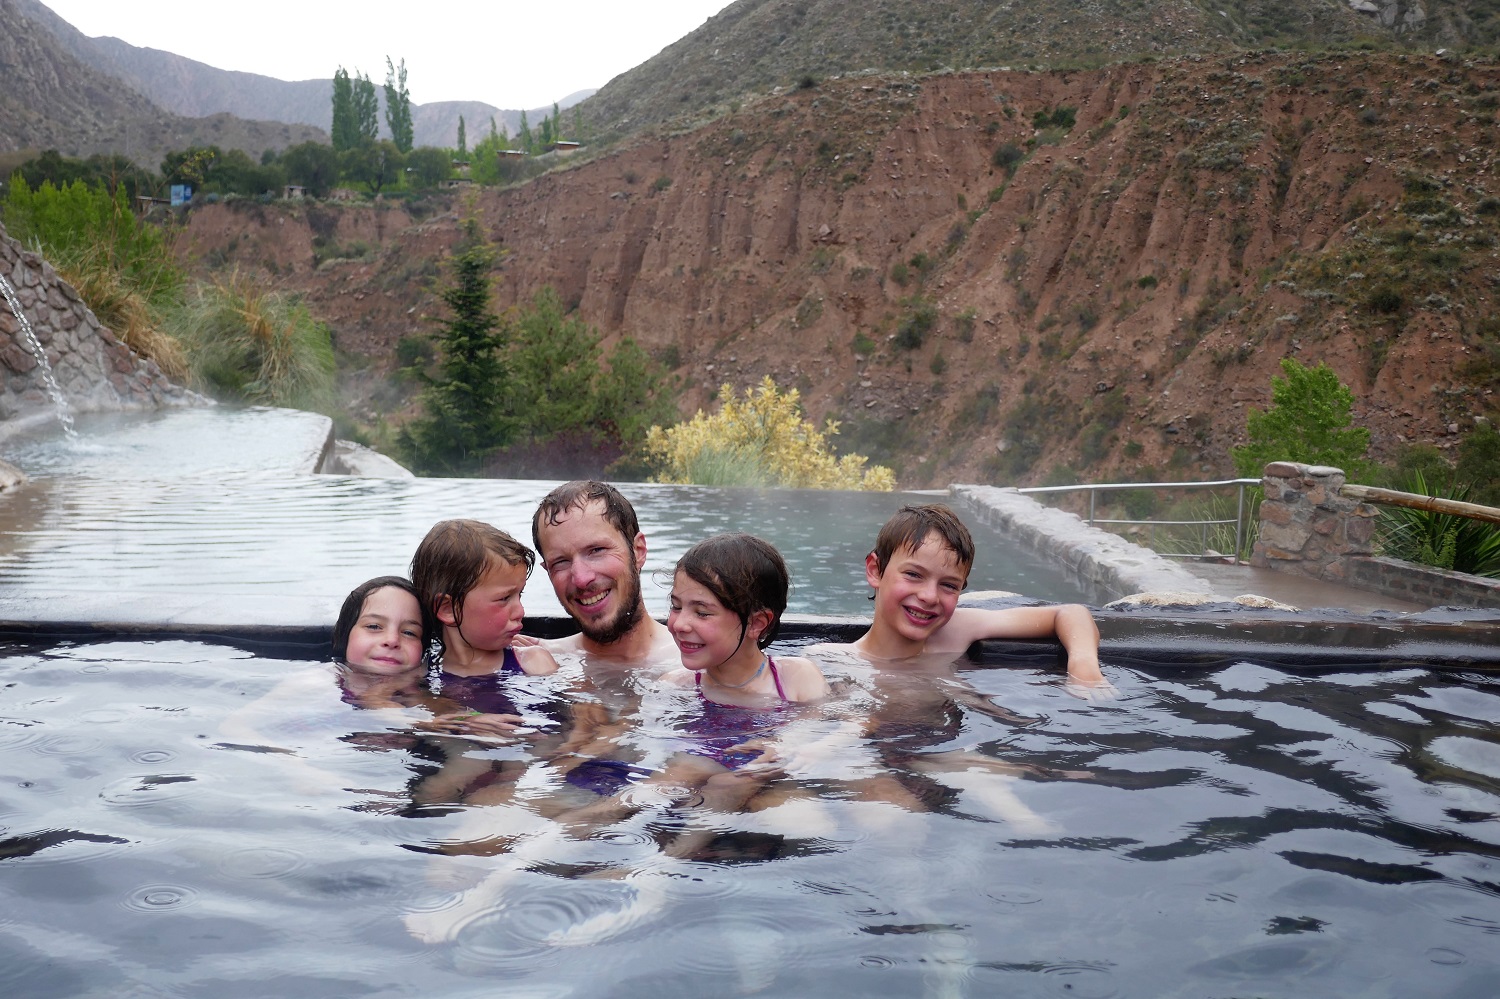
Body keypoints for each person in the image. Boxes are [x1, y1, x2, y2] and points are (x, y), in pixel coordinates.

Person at [851, 503, 1110, 693]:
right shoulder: (843, 663)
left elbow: (1071, 613)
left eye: (948, 585)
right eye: (913, 575)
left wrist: (1083, 664)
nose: (929, 597)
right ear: (875, 570)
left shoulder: (954, 631)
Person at [530, 480, 677, 665]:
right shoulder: (536, 662)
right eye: (560, 562)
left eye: (597, 550)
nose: (581, 579)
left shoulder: (696, 663)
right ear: (548, 572)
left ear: (638, 551)